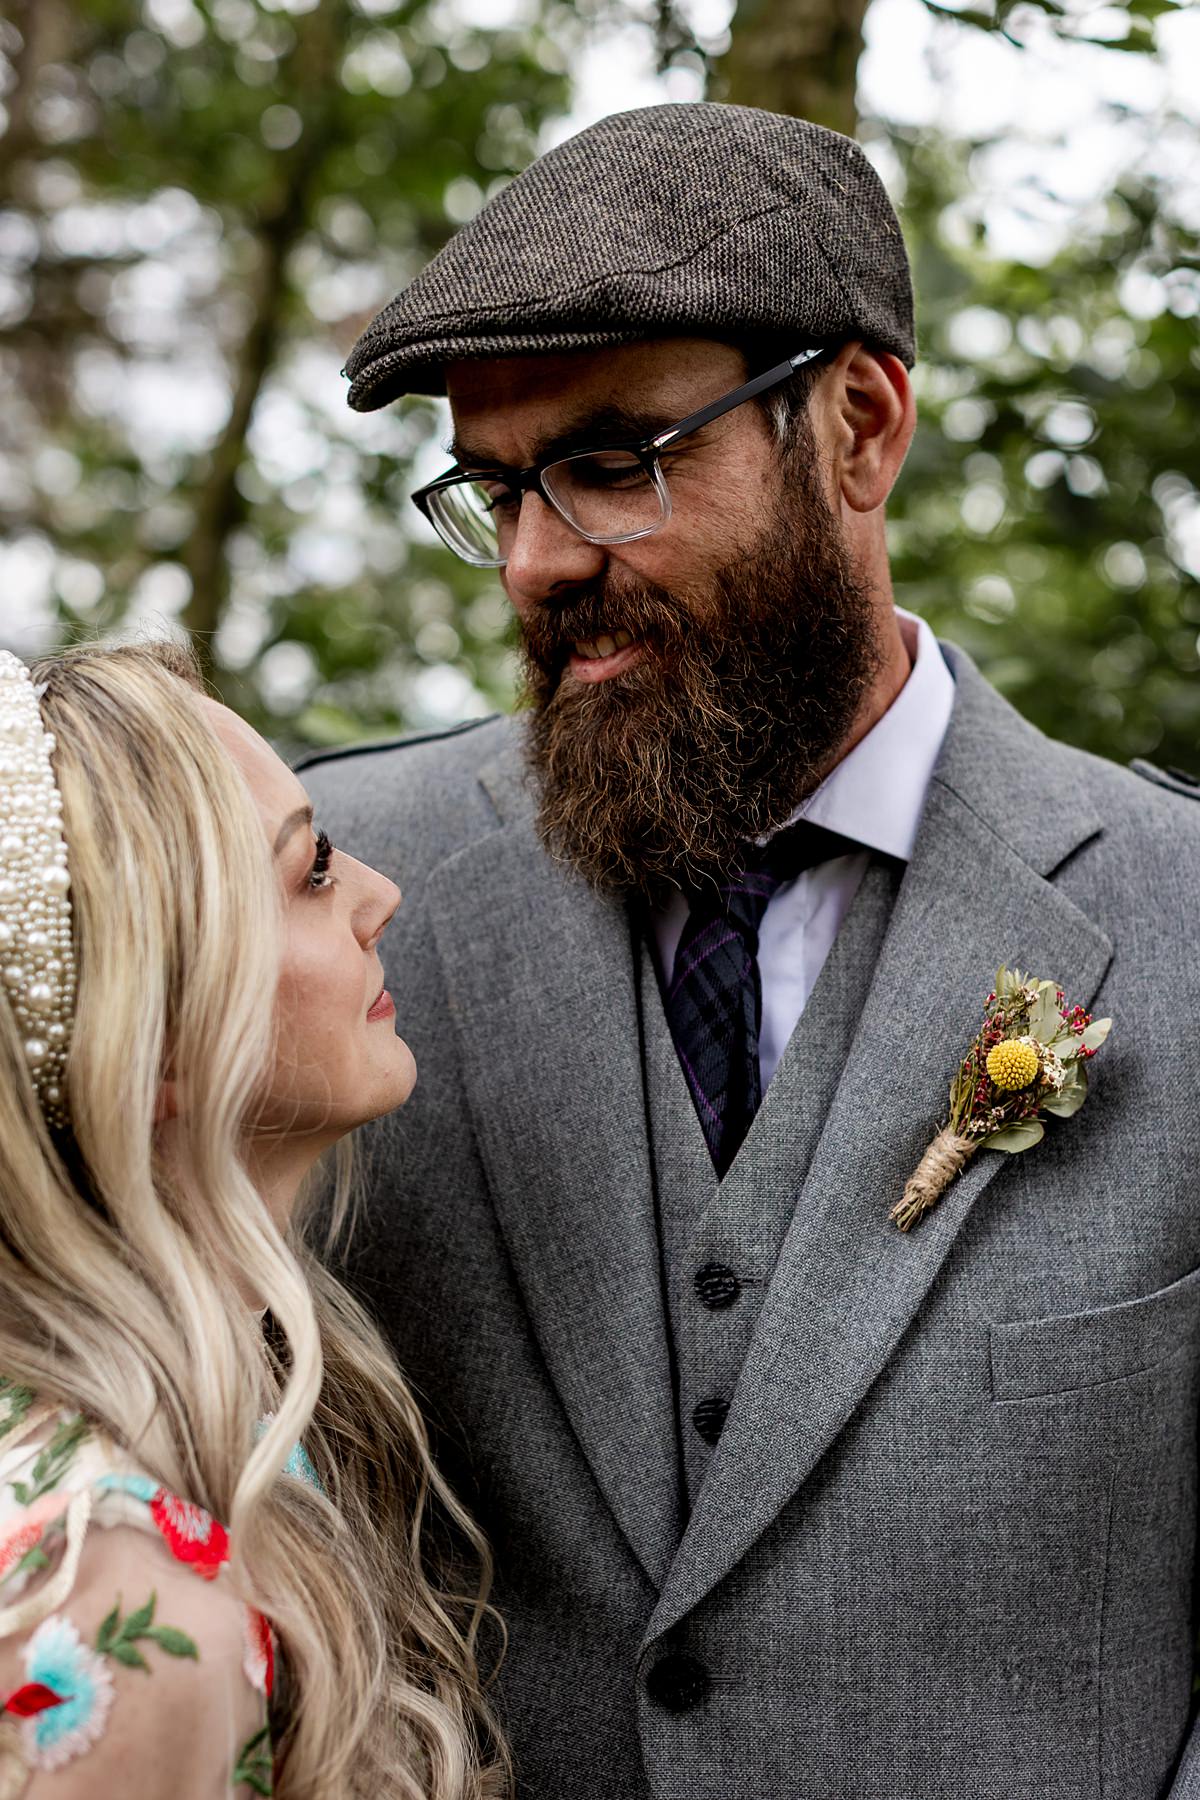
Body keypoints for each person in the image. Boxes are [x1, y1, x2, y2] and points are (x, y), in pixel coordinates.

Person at [303, 102, 1200, 1799]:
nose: (536, 562)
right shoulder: (329, 888)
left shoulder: (1185, 918)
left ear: (859, 428)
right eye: (494, 488)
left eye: (612, 463)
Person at [0, 641, 508, 1799]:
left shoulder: (233, 1432)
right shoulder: (115, 1613)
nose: (378, 893)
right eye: (312, 870)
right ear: (156, 1040)